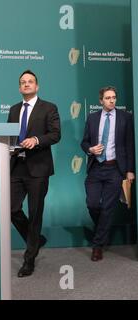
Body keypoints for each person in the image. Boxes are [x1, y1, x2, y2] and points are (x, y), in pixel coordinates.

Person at [7, 70, 61, 277]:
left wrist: (36, 140)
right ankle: (36, 240)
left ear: (37, 86)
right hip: (16, 167)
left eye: (30, 82)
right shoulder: (13, 110)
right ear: (20, 87)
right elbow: (10, 137)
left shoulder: (49, 108)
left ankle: (29, 259)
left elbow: (55, 134)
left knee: (35, 213)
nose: (26, 84)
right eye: (23, 82)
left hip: (38, 168)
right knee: (10, 209)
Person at [81, 86, 135, 261]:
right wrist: (90, 149)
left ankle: (98, 245)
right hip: (96, 168)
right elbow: (84, 142)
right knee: (92, 204)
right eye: (107, 98)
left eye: (114, 97)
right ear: (100, 100)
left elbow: (129, 145)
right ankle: (102, 230)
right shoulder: (92, 118)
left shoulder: (126, 118)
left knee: (107, 208)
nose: (112, 100)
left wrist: (130, 170)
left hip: (115, 169)